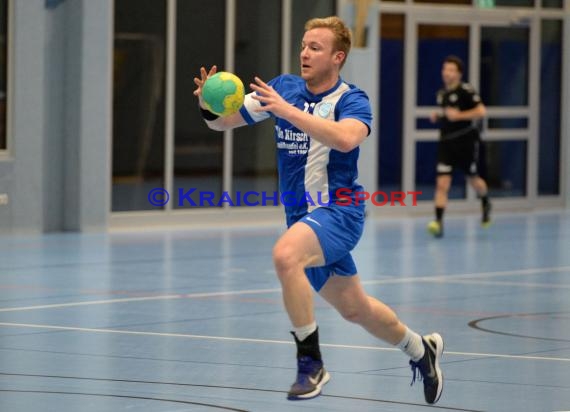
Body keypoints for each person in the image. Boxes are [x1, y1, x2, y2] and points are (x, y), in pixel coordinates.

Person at [194, 16, 444, 404]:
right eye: (304, 45)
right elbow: (223, 123)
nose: (305, 53)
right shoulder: (283, 88)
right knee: (355, 309)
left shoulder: (352, 100)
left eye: (316, 48)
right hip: (302, 218)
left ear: (337, 57)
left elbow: (346, 140)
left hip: (339, 212)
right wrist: (208, 106)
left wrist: (288, 112)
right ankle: (420, 350)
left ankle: (311, 363)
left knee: (285, 255)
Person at [427, 55, 491, 238]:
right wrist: (439, 116)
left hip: (465, 144)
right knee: (442, 184)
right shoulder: (442, 94)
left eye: (451, 70)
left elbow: (481, 111)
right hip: (446, 144)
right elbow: (449, 115)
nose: (446, 73)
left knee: (473, 180)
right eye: (444, 69)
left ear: (459, 74)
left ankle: (485, 200)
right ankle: (438, 223)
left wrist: (459, 115)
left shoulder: (466, 91)